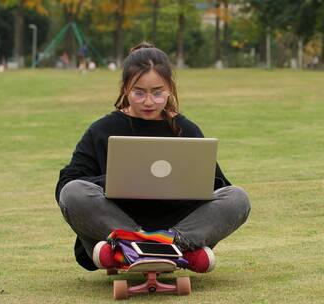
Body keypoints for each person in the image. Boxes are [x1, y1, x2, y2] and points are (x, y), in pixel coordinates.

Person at [55, 42, 251, 273]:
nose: (149, 101)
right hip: (116, 221)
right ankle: (169, 251)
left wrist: (187, 182)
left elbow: (219, 186)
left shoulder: (185, 130)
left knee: (238, 198)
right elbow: (67, 184)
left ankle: (139, 250)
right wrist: (116, 181)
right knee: (73, 193)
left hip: (178, 225)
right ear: (126, 88)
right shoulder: (102, 129)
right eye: (139, 92)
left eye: (158, 93)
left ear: (170, 89)